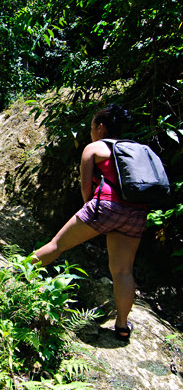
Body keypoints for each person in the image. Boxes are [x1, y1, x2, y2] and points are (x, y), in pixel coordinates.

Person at [32, 104, 147, 341]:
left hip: (106, 206)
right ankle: (123, 326)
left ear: (101, 126)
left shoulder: (95, 147)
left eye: (93, 126)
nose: (91, 131)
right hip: (137, 212)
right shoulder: (137, 149)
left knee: (57, 245)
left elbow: (87, 189)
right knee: (123, 270)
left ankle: (13, 277)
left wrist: (91, 213)